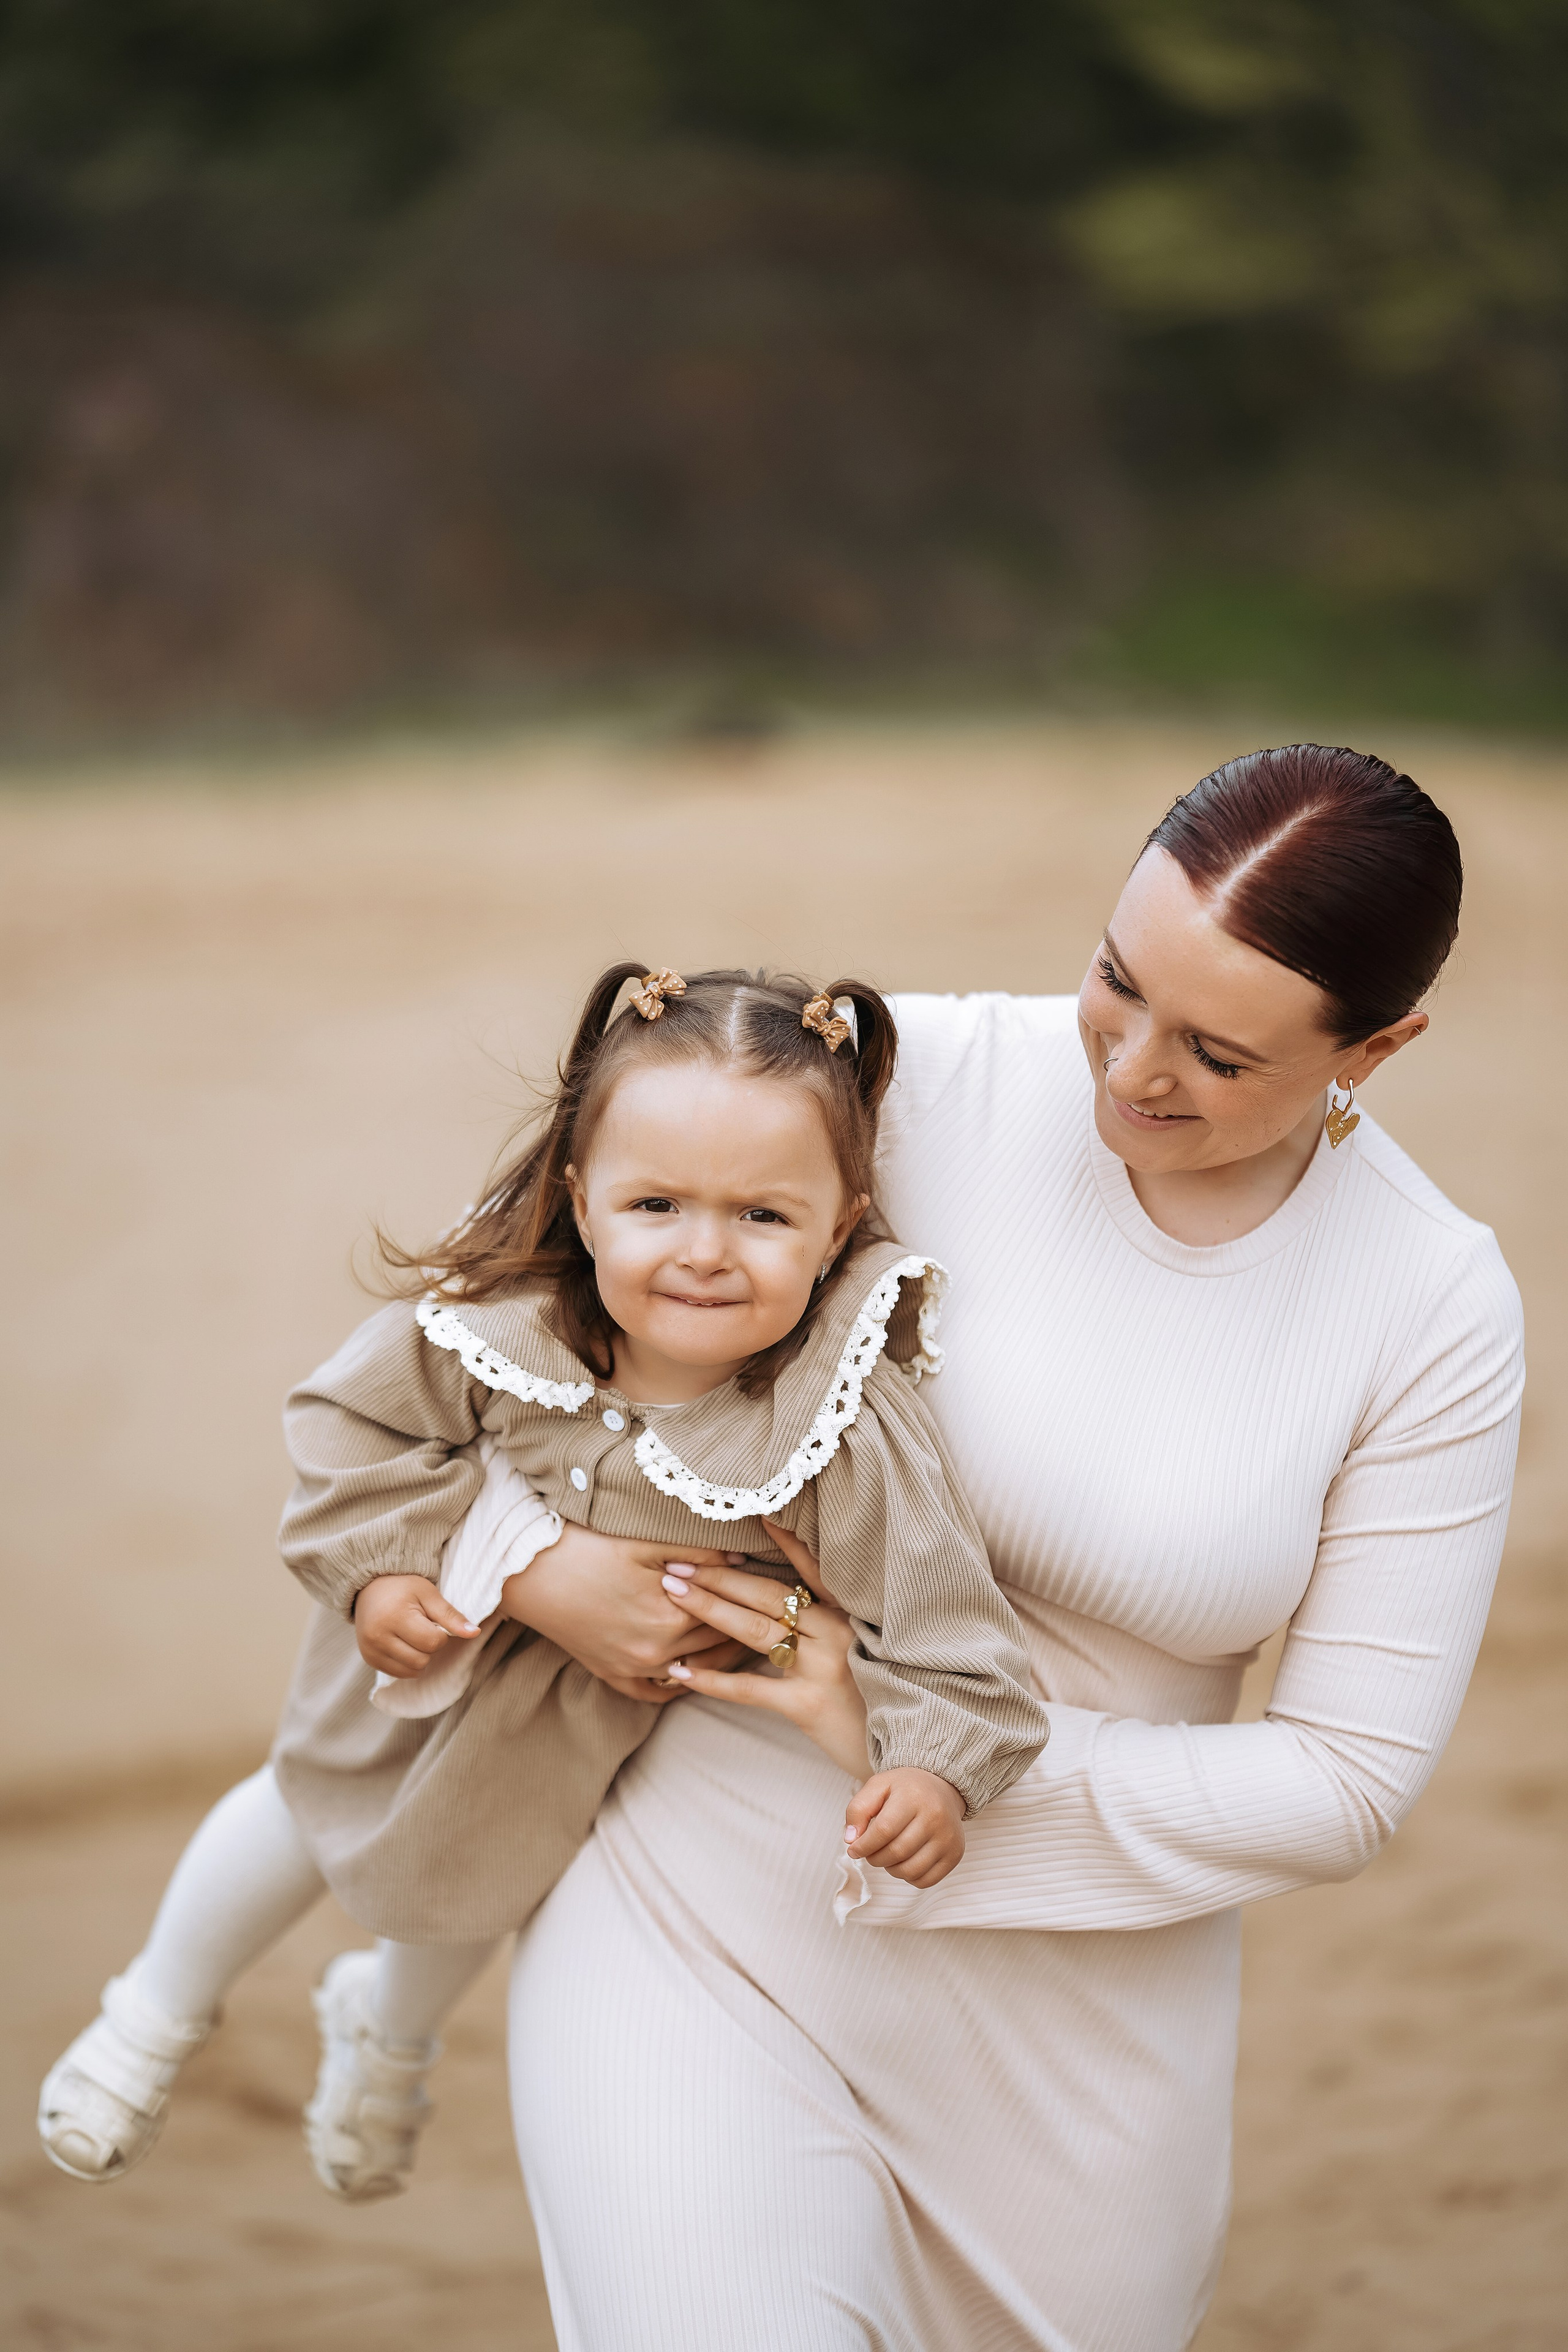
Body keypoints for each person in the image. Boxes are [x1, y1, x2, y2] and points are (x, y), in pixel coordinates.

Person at [497, 745, 1525, 2352]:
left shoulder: (1431, 1301)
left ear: (1375, 1049)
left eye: (1220, 1052)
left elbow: (1344, 1784)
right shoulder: (913, 1082)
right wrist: (527, 1562)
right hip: (705, 1915)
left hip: (1083, 2035)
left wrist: (916, 1745)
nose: (1129, 1071)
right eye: (1117, 983)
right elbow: (481, 1350)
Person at [37, 965, 1047, 2202]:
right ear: (581, 1197)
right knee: (296, 1812)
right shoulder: (499, 1323)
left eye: (763, 1218)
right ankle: (150, 2016)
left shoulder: (830, 1420)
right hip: (429, 1646)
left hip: (565, 1724)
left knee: (476, 1870)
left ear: (840, 1225)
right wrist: (383, 1576)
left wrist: (929, 1766)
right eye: (656, 1203)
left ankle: (388, 2037)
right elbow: (348, 1428)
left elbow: (943, 1620)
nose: (702, 1254)